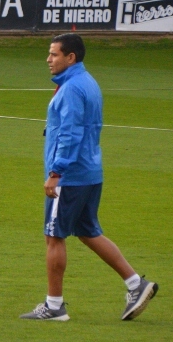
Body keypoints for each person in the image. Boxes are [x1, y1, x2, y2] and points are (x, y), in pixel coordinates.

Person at [21, 34, 158, 322]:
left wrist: (56, 172)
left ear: (71, 57)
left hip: (70, 175)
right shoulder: (87, 82)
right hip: (90, 171)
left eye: (54, 54)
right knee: (87, 231)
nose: (48, 59)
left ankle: (54, 306)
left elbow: (71, 134)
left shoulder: (72, 88)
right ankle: (136, 284)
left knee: (53, 236)